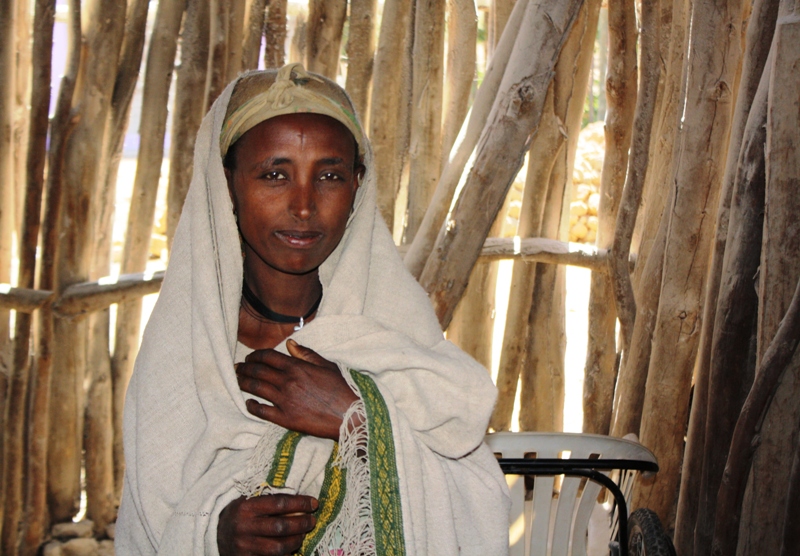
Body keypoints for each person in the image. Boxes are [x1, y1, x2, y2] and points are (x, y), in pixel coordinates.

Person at [116, 63, 510, 555]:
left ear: (357, 186)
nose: (303, 205)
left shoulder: (389, 328)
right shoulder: (186, 353)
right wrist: (212, 533)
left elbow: (477, 496)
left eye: (329, 175)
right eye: (274, 174)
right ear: (227, 183)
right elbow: (151, 515)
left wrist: (355, 415)